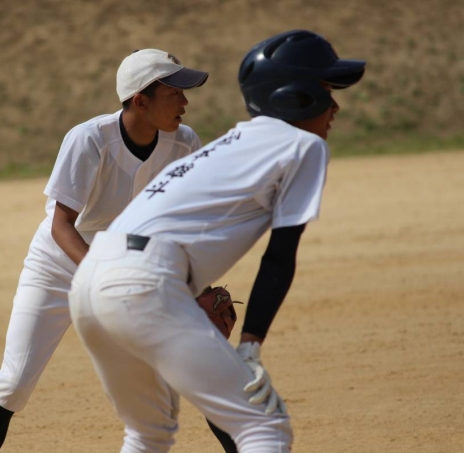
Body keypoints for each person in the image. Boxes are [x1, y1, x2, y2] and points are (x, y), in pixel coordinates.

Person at [68, 29, 366, 452]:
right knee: (265, 425)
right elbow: (280, 255)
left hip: (88, 284)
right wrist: (250, 346)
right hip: (143, 284)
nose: (334, 106)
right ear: (297, 96)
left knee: (148, 433)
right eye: (326, 90)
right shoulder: (303, 146)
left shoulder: (232, 141)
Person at [0, 48, 238, 452]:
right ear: (140, 101)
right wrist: (104, 275)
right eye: (174, 93)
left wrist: (197, 286)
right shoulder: (89, 139)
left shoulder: (184, 143)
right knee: (13, 384)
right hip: (59, 266)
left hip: (134, 269)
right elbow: (61, 225)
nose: (185, 102)